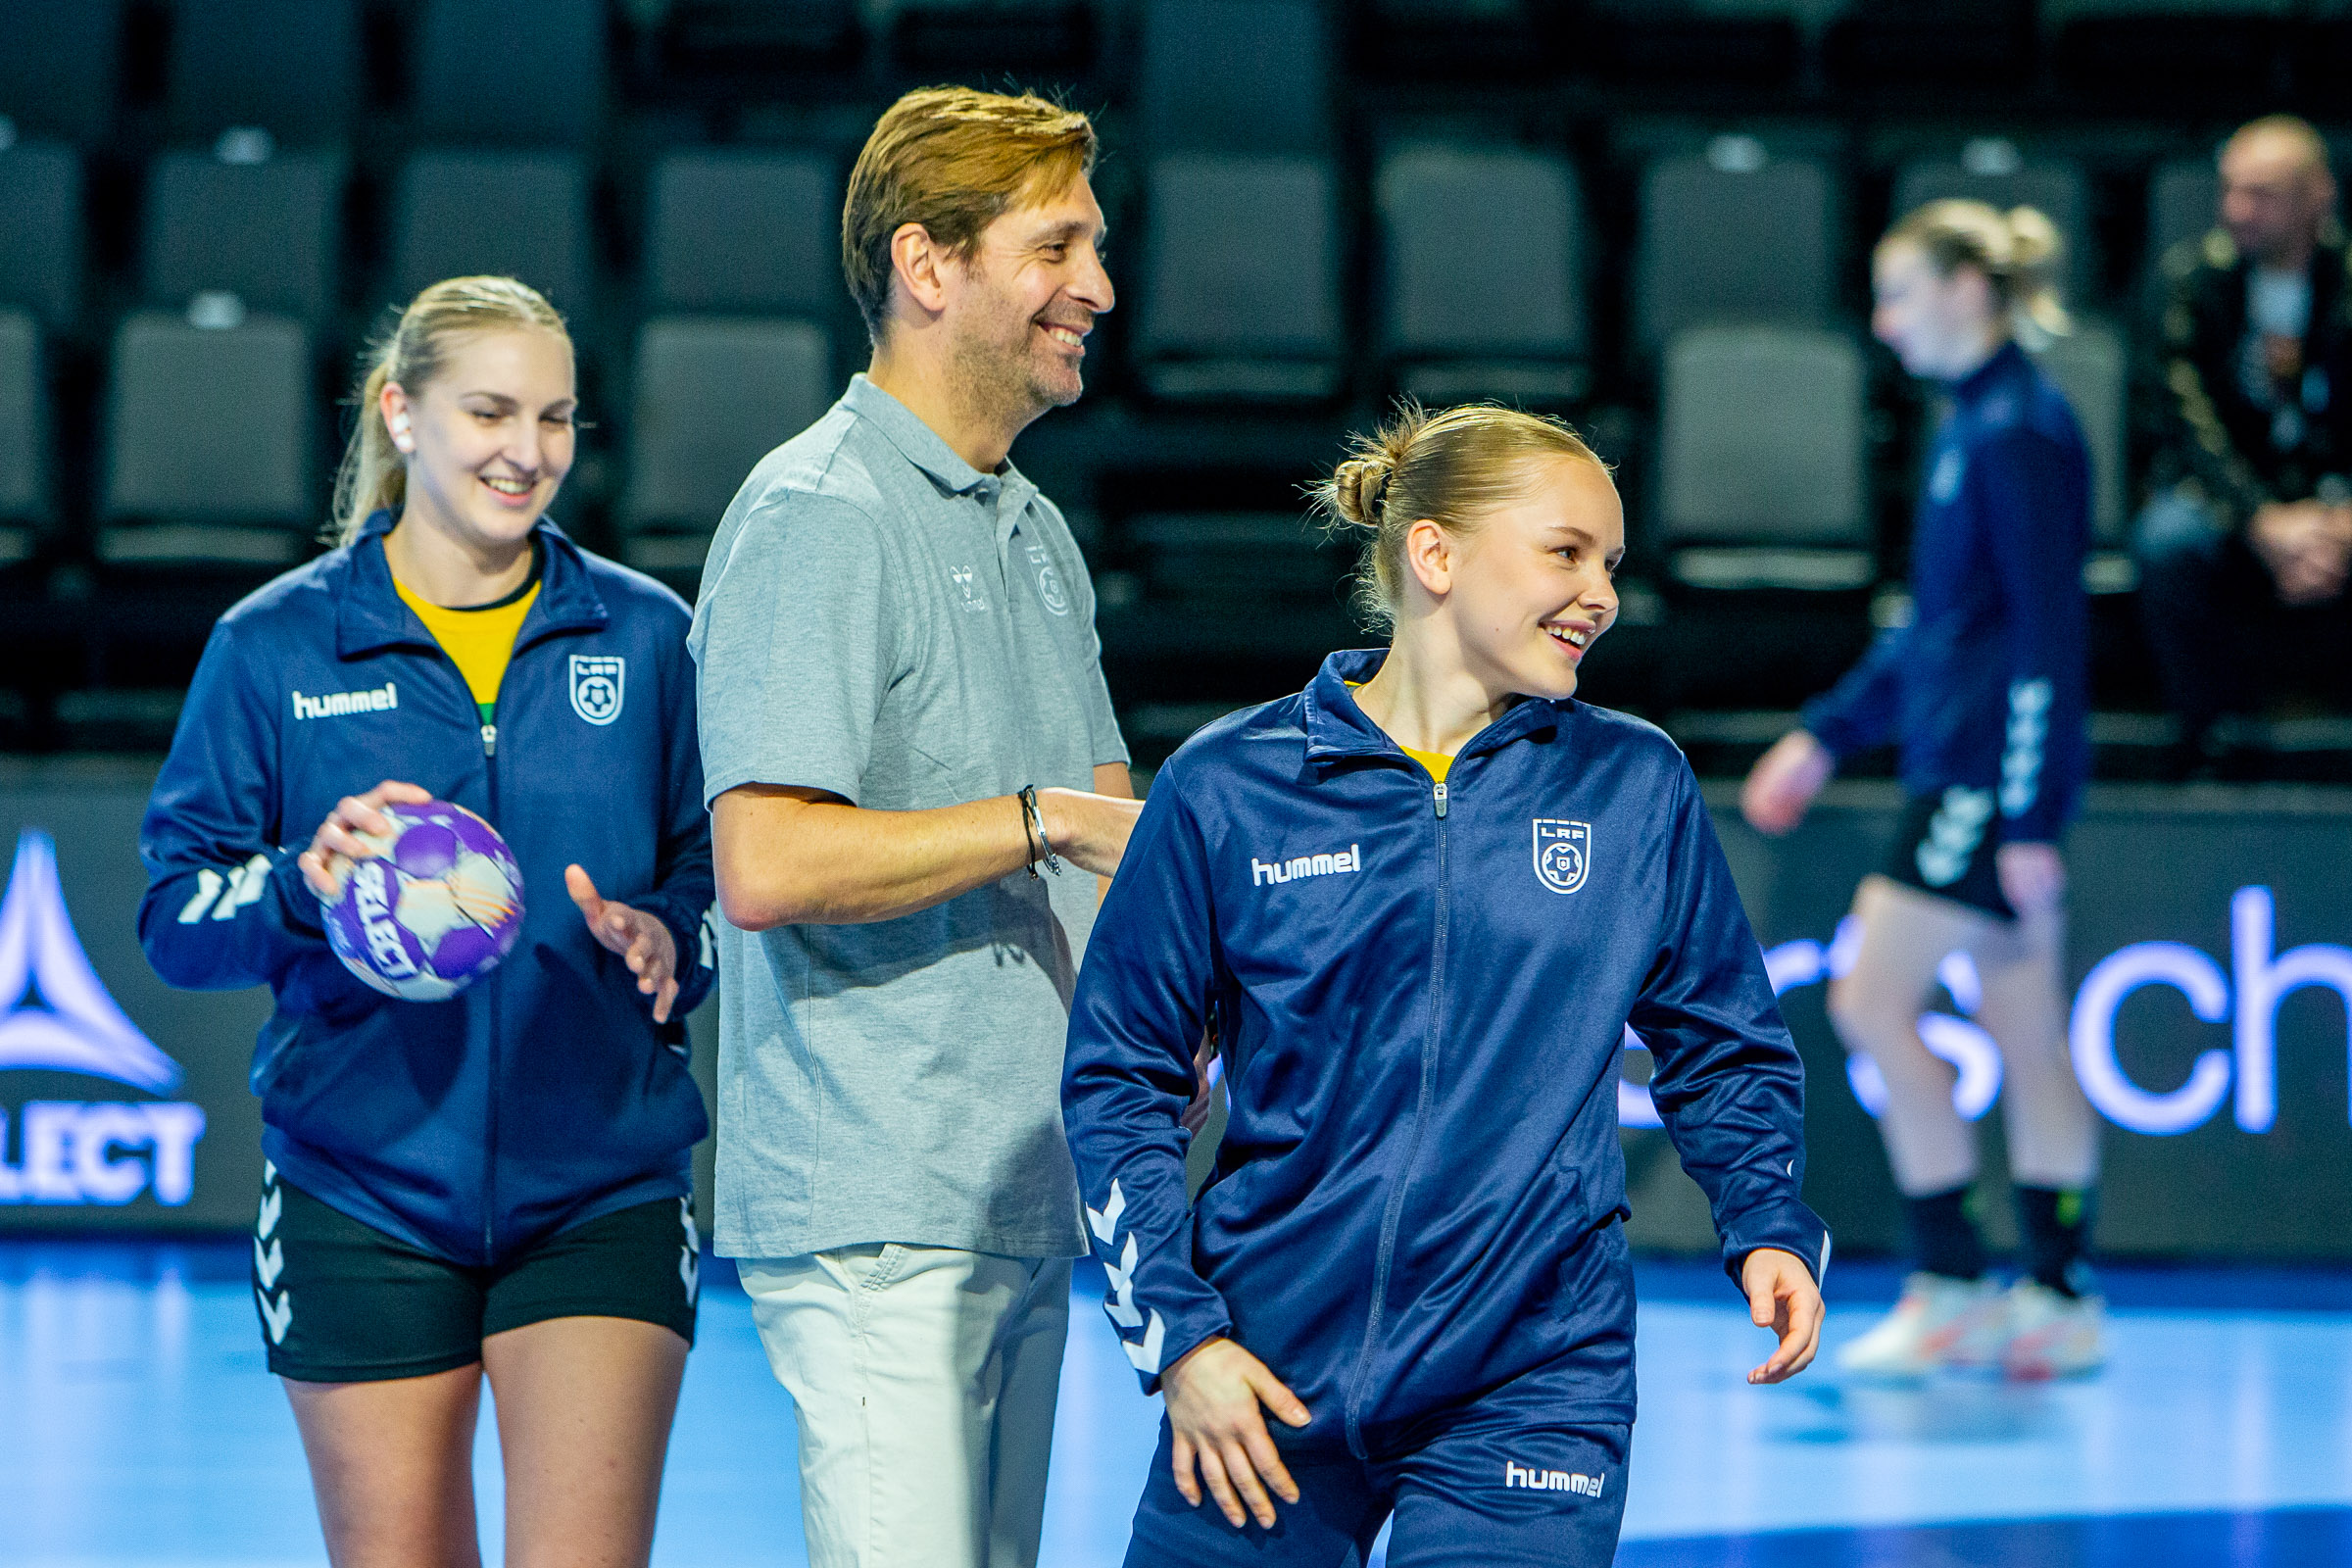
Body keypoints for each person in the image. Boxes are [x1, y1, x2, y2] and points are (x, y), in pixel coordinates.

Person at [1061, 402, 1830, 1568]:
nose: (1603, 595)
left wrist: (1765, 1218)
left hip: (1533, 1376)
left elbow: (1724, 1042)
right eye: (1566, 553)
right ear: (1435, 554)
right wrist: (1182, 1342)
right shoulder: (1228, 785)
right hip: (1263, 1369)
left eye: (1611, 563)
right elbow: (1120, 1078)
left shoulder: (1633, 785)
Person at [137, 274, 715, 1568]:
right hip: (362, 1192)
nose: (529, 451)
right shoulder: (278, 645)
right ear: (402, 414)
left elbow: (712, 877)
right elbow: (175, 915)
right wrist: (302, 886)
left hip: (602, 1189)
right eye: (490, 412)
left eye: (556, 418)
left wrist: (673, 940)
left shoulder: (645, 635)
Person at [689, 87, 1142, 1568]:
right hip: (880, 1212)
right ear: (927, 265)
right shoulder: (817, 512)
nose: (1098, 287)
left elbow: (1112, 827)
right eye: (1055, 247)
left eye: (1095, 248)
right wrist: (1034, 823)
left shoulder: (1036, 525)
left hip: (1024, 1183)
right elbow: (766, 864)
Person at [1743, 202, 2103, 1379]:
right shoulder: (1978, 424)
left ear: (1966, 288)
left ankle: (1954, 1281)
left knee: (1871, 1000)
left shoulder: (2016, 431)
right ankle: (2056, 1295)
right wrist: (1827, 734)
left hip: (1979, 786)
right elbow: (1942, 629)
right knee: (2025, 1023)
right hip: (1974, 774)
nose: (1886, 324)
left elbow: (2048, 636)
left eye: (1899, 295)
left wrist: (2029, 813)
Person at [2137, 114, 2352, 772]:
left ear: (2318, 196)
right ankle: (2215, 743)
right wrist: (2262, 521)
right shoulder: (2191, 281)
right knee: (2167, 542)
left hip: (2337, 496)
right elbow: (2187, 420)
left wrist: (2342, 524)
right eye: (2230, 190)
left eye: (2262, 194)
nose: (2237, 210)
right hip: (2230, 496)